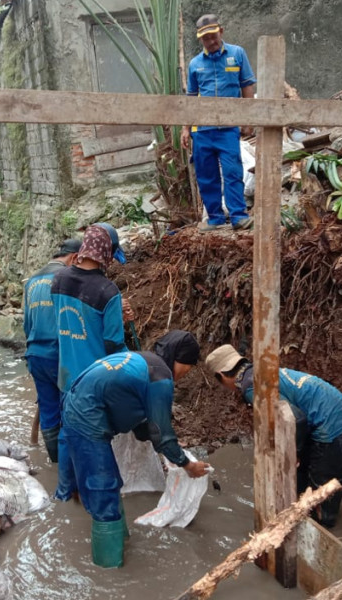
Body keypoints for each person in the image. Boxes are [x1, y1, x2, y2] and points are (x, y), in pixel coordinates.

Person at [55, 330, 210, 568]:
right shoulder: (160, 377)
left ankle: (119, 540)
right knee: (103, 487)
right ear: (177, 357)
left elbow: (142, 428)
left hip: (76, 404)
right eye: (187, 367)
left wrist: (168, 448)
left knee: (111, 481)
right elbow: (161, 433)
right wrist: (187, 464)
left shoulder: (145, 361)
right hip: (85, 418)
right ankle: (108, 571)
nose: (185, 374)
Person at [205, 344, 342, 528]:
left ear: (221, 376)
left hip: (332, 426)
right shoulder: (261, 371)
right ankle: (310, 514)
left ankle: (322, 530)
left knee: (321, 492)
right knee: (320, 480)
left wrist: (292, 453)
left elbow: (297, 419)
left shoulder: (251, 387)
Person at [181, 14, 256, 232]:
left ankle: (238, 216)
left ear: (221, 32)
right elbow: (191, 98)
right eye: (206, 39)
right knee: (207, 174)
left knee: (232, 171)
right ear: (200, 40)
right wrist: (186, 129)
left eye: (213, 37)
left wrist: (248, 118)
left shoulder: (237, 54)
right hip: (202, 131)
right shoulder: (195, 64)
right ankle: (214, 217)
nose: (211, 42)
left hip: (228, 128)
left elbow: (247, 86)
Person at [50, 222, 133, 394]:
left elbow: (65, 323)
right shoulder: (108, 292)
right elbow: (114, 345)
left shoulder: (58, 280)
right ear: (108, 254)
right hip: (95, 386)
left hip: (66, 383)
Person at [22, 239, 81, 462]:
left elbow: (27, 324)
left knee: (48, 411)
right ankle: (69, 467)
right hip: (61, 355)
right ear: (74, 257)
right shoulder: (67, 278)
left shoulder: (32, 281)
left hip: (36, 354)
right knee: (69, 411)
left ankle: (55, 464)